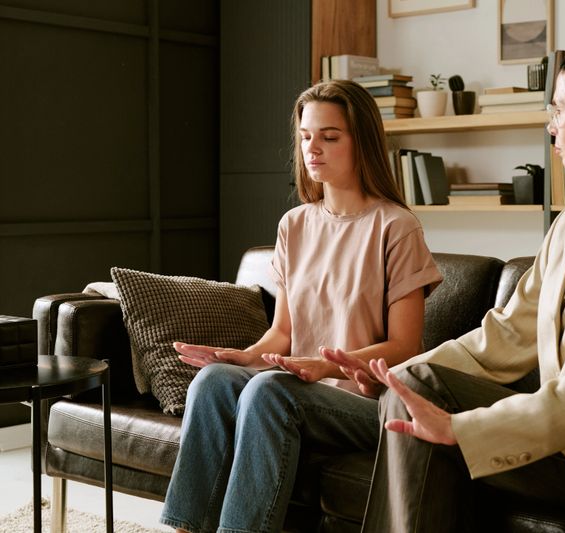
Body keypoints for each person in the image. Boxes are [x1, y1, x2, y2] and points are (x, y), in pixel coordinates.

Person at [326, 38, 565, 531]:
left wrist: (463, 428)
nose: (551, 124)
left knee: (421, 399)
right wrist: (394, 372)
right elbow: (507, 335)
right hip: (562, 435)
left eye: (557, 108)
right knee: (409, 388)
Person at [158, 79, 442, 533]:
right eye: (306, 136)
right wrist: (245, 356)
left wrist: (323, 368)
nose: (314, 148)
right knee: (213, 381)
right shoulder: (295, 224)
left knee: (269, 391)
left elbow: (405, 346)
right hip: (301, 386)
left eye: (330, 137)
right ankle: (184, 528)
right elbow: (283, 333)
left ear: (362, 142)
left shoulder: (396, 227)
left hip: (368, 403)